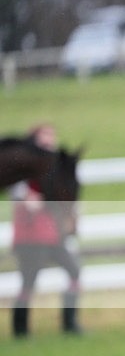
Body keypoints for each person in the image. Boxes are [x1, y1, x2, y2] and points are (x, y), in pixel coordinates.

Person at [10, 123, 82, 338]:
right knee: (29, 282)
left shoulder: (53, 170)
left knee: (74, 272)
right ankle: (21, 331)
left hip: (52, 234)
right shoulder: (22, 169)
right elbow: (20, 192)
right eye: (44, 140)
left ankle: (70, 324)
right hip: (30, 236)